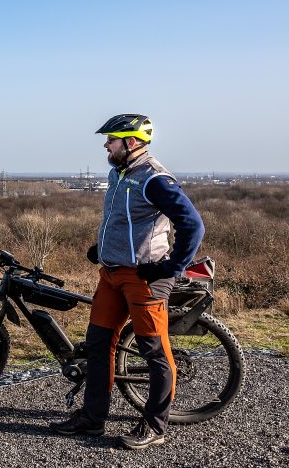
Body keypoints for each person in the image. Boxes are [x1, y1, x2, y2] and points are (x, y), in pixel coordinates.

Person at [49, 114, 205, 449]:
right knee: (98, 344)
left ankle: (155, 426)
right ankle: (92, 419)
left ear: (131, 142)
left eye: (111, 140)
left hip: (145, 278)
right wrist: (102, 248)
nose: (106, 145)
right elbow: (120, 220)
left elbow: (193, 225)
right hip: (111, 274)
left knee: (153, 351)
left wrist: (172, 267)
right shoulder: (118, 173)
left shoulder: (155, 179)